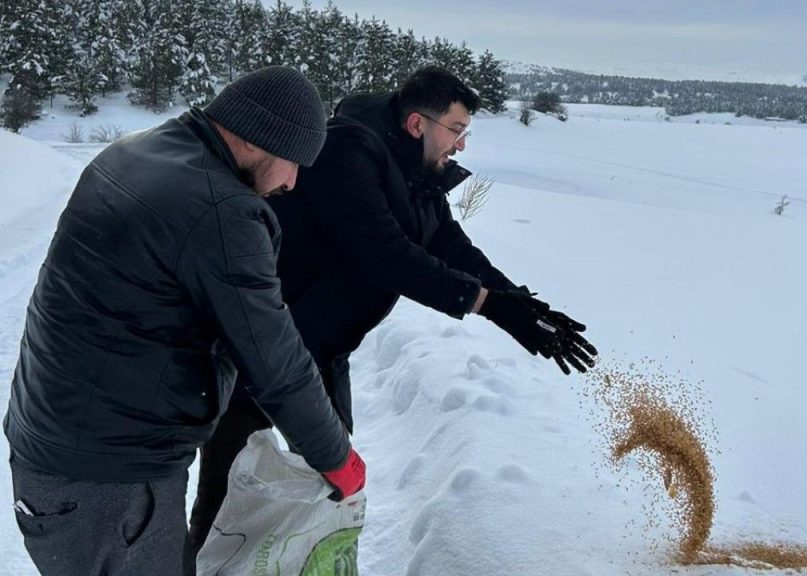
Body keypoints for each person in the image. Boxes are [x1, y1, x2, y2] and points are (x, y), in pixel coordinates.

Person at [188, 66, 597, 549]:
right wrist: (485, 304)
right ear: (418, 124)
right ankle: (205, 558)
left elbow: (447, 241)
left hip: (322, 347)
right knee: (230, 475)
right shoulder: (347, 152)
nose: (461, 145)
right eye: (456, 130)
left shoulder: (413, 167)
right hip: (266, 342)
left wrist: (521, 304)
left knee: (331, 481)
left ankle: (292, 556)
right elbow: (382, 252)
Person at [4, 66, 366, 576]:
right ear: (260, 138)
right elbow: (274, 359)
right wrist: (336, 458)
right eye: (293, 163)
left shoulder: (139, 151)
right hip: (109, 477)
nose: (291, 182)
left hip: (61, 446)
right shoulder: (219, 207)